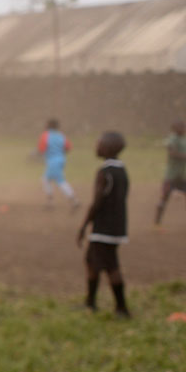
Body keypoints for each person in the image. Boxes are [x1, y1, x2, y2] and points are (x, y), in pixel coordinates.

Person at [76, 131, 131, 318]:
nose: (96, 147)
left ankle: (122, 309)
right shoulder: (122, 170)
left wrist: (84, 226)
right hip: (116, 226)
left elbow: (96, 203)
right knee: (91, 261)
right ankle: (90, 303)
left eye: (98, 144)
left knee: (111, 266)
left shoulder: (105, 172)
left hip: (104, 229)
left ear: (107, 148)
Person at [154, 120, 186, 233]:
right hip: (171, 176)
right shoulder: (172, 138)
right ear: (174, 129)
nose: (183, 129)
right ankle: (156, 224)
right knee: (164, 198)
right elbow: (171, 152)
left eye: (184, 127)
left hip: (182, 176)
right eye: (181, 127)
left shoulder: (184, 139)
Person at [38, 118, 79, 211]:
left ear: (48, 125)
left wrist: (40, 156)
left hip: (52, 161)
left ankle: (74, 200)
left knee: (59, 181)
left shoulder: (45, 135)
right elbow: (68, 147)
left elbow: (41, 149)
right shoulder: (61, 135)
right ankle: (50, 202)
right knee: (46, 179)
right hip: (61, 159)